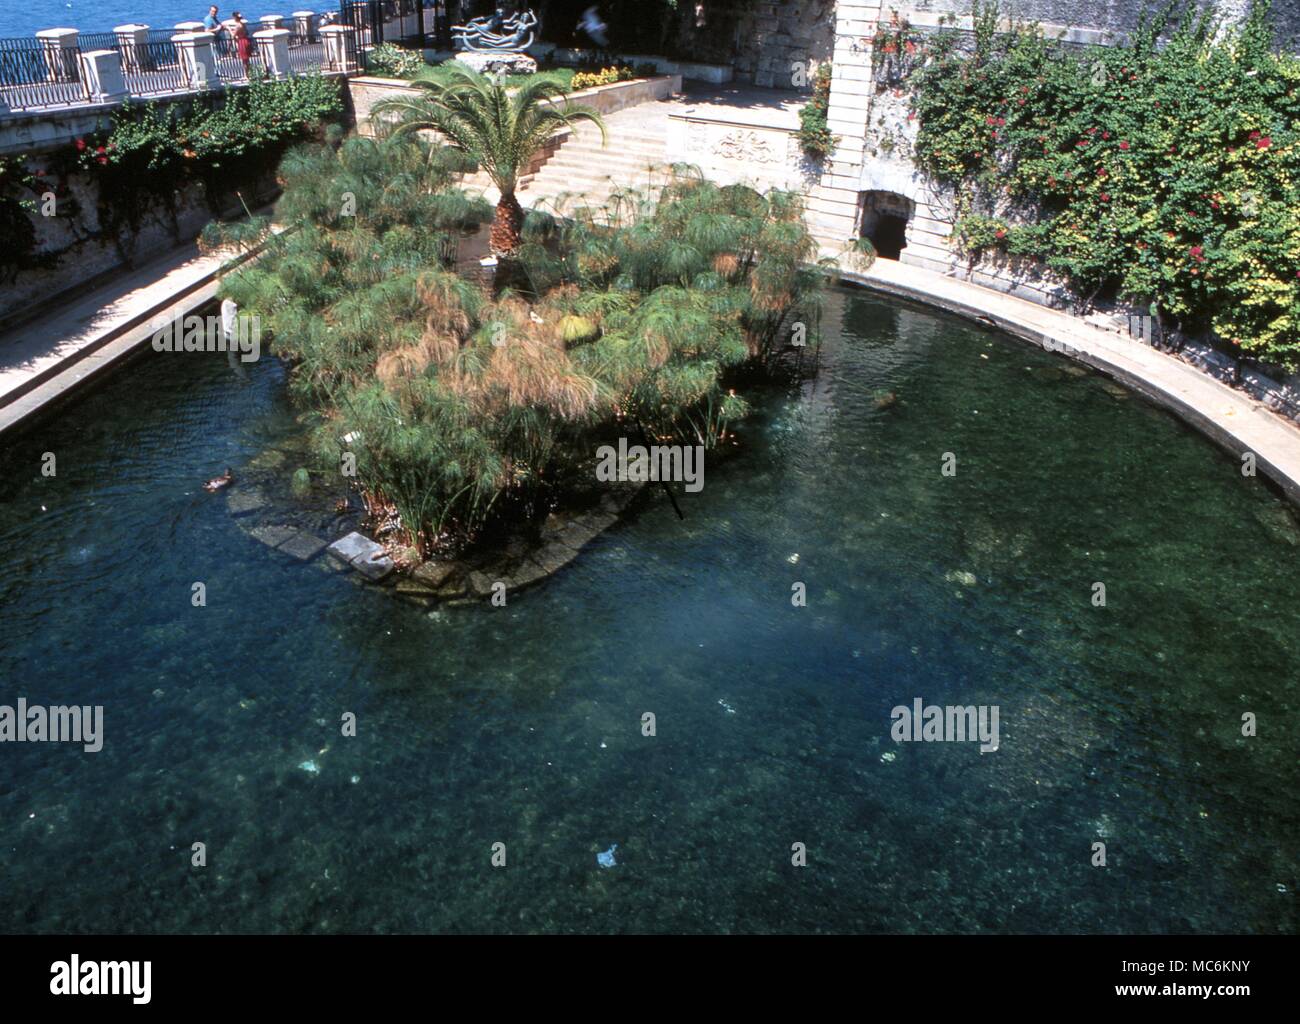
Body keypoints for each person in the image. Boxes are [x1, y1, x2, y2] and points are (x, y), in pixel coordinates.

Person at [231, 12, 254, 76]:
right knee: (247, 59)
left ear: (235, 17)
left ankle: (247, 75)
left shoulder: (238, 25)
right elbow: (246, 33)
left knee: (244, 60)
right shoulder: (243, 24)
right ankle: (250, 73)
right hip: (246, 40)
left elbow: (233, 35)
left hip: (242, 42)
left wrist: (229, 29)